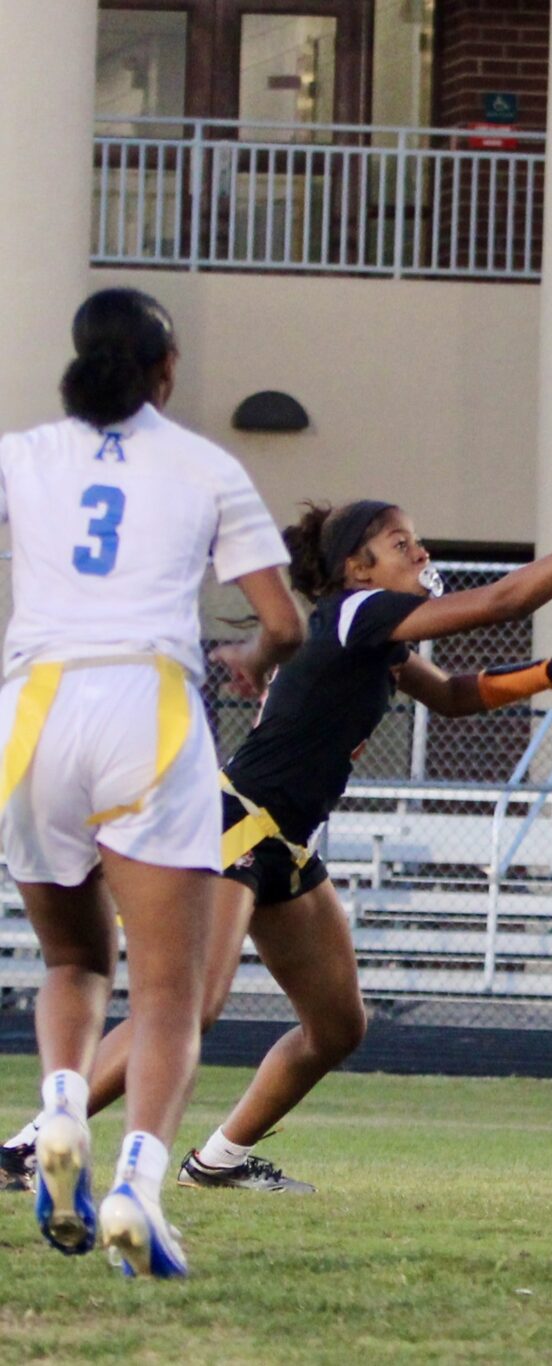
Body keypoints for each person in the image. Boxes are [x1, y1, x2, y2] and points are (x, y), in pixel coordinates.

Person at [0, 450, 552, 1196]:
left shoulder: (372, 634)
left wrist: (548, 673)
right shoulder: (359, 614)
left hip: (285, 842)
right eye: (402, 545)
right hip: (235, 822)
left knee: (336, 1026)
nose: (421, 553)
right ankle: (28, 1147)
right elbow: (506, 601)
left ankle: (220, 1159)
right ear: (359, 570)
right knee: (189, 1003)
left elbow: (453, 696)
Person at [0, 287, 304, 1276]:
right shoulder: (206, 465)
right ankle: (135, 1179)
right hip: (148, 706)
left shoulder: (25, 453)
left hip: (34, 709)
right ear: (164, 369)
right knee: (167, 994)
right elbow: (284, 621)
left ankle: (55, 1107)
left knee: (69, 963)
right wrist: (254, 656)